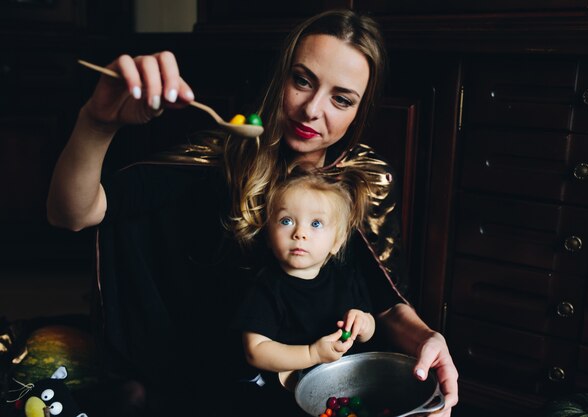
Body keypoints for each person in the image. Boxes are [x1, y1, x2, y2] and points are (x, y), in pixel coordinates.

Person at [46, 9, 459, 417]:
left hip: (332, 386)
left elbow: (388, 302)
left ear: (359, 111)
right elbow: (73, 214)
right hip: (227, 386)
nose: (312, 109)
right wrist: (96, 124)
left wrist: (427, 338)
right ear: (281, 76)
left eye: (341, 98)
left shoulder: (365, 178)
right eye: (302, 81)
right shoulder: (223, 157)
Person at [235, 167, 376, 396]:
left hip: (338, 387)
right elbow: (256, 350)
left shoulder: (345, 278)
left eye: (316, 224)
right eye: (287, 220)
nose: (300, 233)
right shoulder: (266, 287)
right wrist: (312, 354)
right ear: (269, 234)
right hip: (283, 391)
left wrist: (364, 324)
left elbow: (369, 327)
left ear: (337, 241)